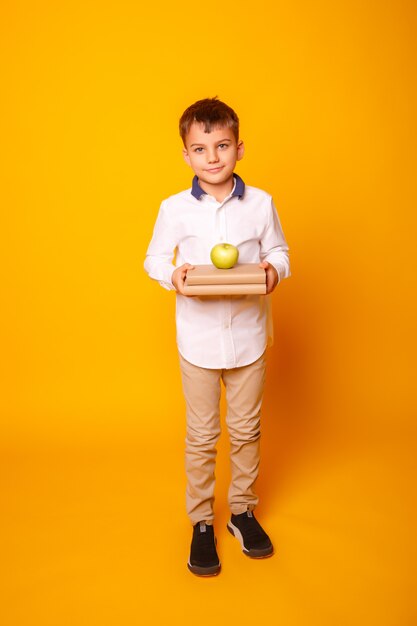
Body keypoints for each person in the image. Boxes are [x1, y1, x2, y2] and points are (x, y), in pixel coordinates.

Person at [144, 97, 290, 577]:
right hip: (198, 343)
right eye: (201, 148)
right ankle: (201, 521)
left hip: (249, 340)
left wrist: (273, 270)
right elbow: (153, 260)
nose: (213, 157)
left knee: (247, 430)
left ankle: (242, 511)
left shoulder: (262, 204)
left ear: (239, 148)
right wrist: (175, 275)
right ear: (186, 155)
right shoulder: (174, 208)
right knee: (203, 436)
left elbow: (280, 251)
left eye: (222, 145)